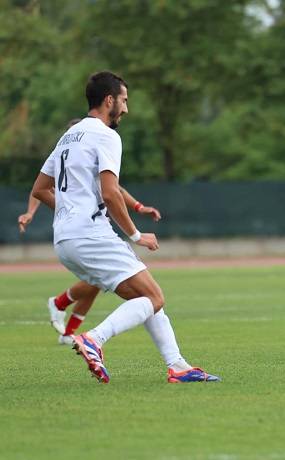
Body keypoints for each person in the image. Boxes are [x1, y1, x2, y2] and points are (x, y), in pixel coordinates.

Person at [31, 71, 219, 383]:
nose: (126, 109)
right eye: (124, 100)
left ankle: (178, 366)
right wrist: (135, 234)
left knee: (144, 298)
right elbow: (110, 192)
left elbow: (40, 188)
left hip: (64, 239)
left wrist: (72, 210)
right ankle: (94, 339)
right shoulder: (106, 135)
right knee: (155, 297)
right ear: (109, 100)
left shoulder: (68, 136)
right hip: (91, 235)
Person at [19, 161, 161, 345]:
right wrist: (32, 212)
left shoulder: (85, 151)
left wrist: (138, 207)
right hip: (81, 231)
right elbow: (40, 187)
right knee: (120, 284)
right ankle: (63, 309)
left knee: (98, 281)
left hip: (92, 227)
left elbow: (114, 189)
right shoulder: (72, 150)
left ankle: (67, 329)